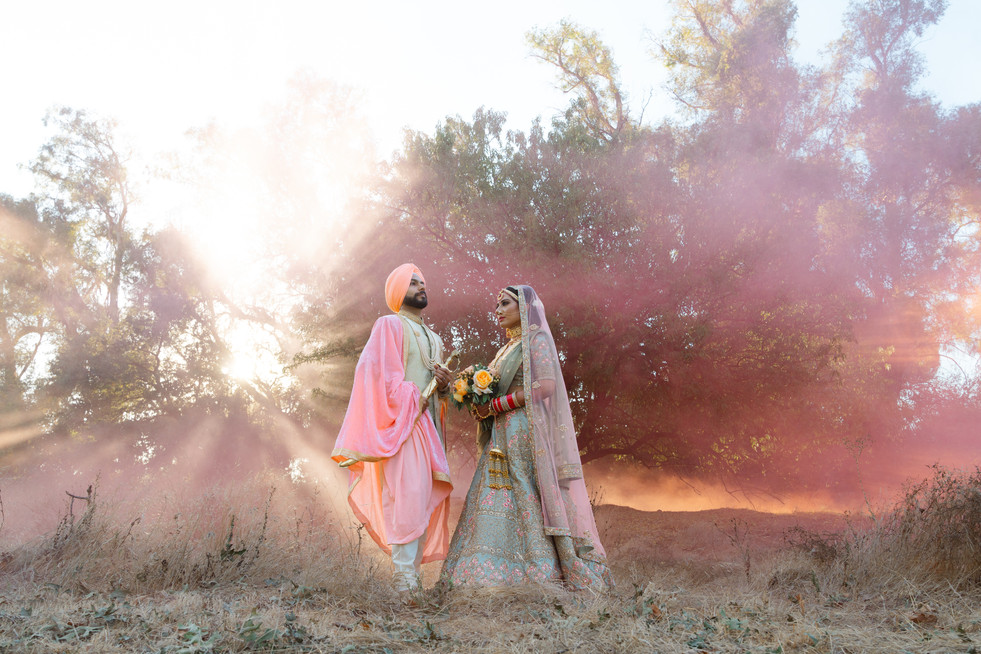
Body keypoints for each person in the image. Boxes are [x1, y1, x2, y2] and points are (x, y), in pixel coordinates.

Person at [440, 285, 612, 589]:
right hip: (499, 432)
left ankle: (538, 570)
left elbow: (546, 386)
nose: (498, 310)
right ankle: (482, 572)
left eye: (505, 303)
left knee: (523, 488)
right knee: (496, 489)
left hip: (522, 430)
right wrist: (478, 403)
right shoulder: (505, 349)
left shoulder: (537, 339)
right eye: (496, 305)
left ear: (524, 307)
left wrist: (498, 404)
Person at [332, 263, 454, 593]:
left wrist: (444, 386)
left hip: (428, 429)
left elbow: (439, 392)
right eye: (413, 282)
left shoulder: (435, 338)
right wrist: (413, 396)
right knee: (407, 499)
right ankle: (403, 583)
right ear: (398, 291)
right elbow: (376, 375)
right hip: (402, 426)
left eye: (423, 282)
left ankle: (412, 583)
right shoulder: (389, 325)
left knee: (423, 501)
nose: (420, 287)